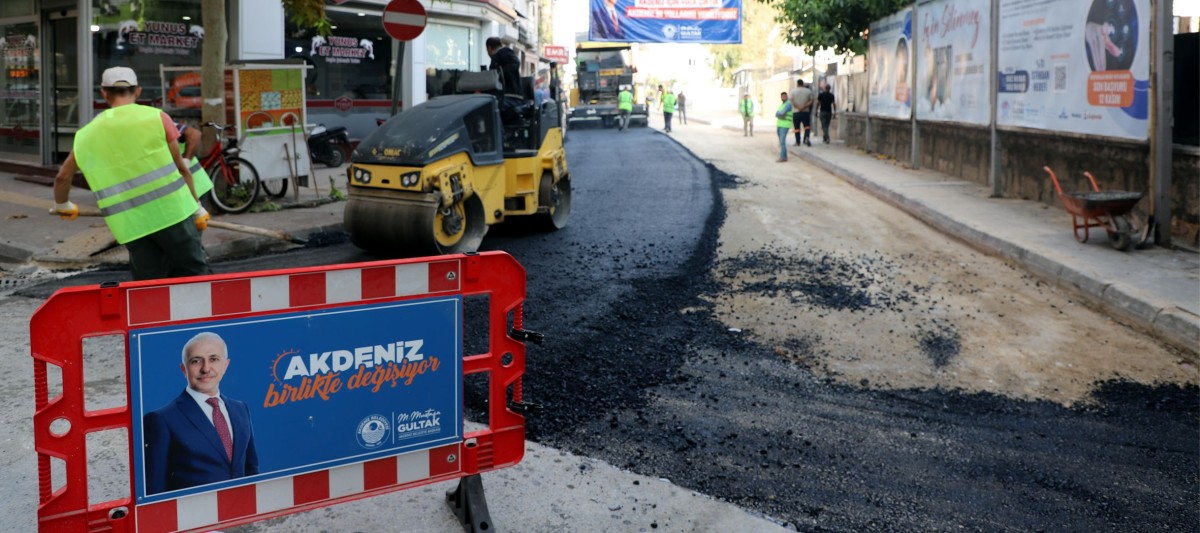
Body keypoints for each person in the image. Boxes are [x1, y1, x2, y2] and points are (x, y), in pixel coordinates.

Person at [51, 67, 211, 281]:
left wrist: (63, 205)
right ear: (137, 91)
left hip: (131, 225)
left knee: (148, 285)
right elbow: (181, 168)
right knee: (194, 274)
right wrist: (197, 209)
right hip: (173, 214)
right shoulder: (156, 117)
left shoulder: (86, 134)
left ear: (104, 93)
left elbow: (63, 176)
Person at [143, 332, 259, 495]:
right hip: (193, 516)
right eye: (196, 361)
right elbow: (155, 487)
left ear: (225, 365)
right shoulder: (161, 419)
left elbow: (251, 469)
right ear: (184, 369)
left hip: (239, 512)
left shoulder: (241, 409)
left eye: (213, 359)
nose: (206, 369)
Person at [485, 37, 524, 113]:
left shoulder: (505, 52)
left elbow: (516, 63)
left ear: (489, 48)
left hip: (511, 96)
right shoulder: (497, 57)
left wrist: (500, 74)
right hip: (504, 96)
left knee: (491, 107)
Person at [789, 79, 815, 147]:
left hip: (796, 112)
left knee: (797, 128)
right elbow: (811, 101)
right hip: (805, 112)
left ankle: (798, 141)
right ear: (803, 84)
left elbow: (791, 101)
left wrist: (798, 107)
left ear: (797, 84)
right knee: (807, 126)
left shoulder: (793, 91)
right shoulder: (808, 91)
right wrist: (804, 106)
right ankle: (806, 137)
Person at [775, 91, 793, 163]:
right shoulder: (782, 105)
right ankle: (784, 156)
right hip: (780, 124)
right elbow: (777, 114)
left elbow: (781, 113)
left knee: (782, 141)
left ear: (787, 96)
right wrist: (779, 114)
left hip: (785, 125)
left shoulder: (788, 104)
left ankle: (783, 157)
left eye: (784, 96)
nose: (783, 98)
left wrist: (779, 114)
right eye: (782, 96)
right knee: (781, 141)